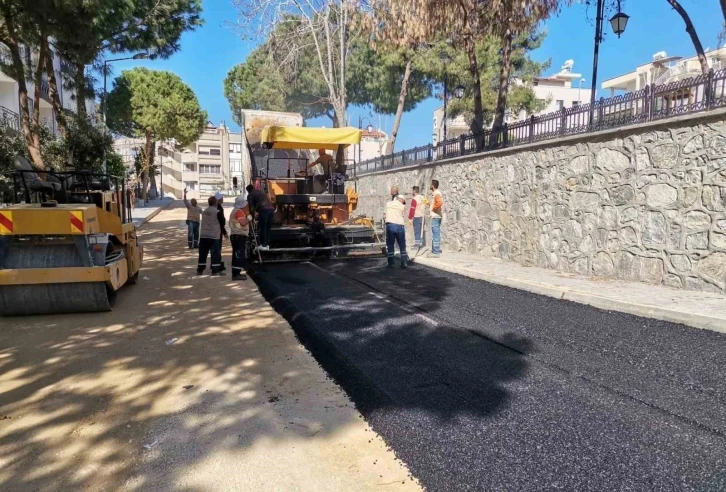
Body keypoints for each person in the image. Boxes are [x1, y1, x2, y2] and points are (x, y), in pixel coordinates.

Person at [197, 196, 224, 276]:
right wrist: (224, 232)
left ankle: (200, 270)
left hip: (203, 236)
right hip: (213, 236)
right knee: (215, 253)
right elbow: (222, 222)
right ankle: (215, 270)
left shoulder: (205, 211)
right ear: (215, 202)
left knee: (202, 253)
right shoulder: (217, 212)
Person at [229, 196, 252, 281]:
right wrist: (249, 219)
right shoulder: (239, 212)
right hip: (239, 236)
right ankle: (236, 274)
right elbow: (243, 223)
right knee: (238, 255)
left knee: (236, 255)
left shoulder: (234, 211)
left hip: (235, 235)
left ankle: (235, 273)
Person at [246, 184, 275, 250]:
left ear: (248, 190)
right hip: (271, 209)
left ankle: (262, 244)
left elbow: (251, 207)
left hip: (264, 210)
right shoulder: (261, 192)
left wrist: (252, 218)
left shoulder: (250, 194)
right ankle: (267, 244)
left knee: (262, 227)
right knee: (268, 227)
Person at [384, 192, 408, 268]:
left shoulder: (388, 204)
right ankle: (404, 262)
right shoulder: (402, 206)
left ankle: (390, 263)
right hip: (399, 226)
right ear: (401, 200)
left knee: (390, 244)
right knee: (402, 244)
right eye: (403, 201)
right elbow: (404, 216)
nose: (403, 203)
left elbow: (384, 215)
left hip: (390, 225)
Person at [429, 179, 443, 257]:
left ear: (433, 186)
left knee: (435, 233)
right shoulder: (435, 194)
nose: (430, 186)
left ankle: (436, 252)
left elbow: (440, 203)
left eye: (431, 184)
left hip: (436, 216)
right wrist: (428, 203)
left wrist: (434, 209)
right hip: (436, 216)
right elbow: (435, 203)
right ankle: (434, 250)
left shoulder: (437, 193)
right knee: (435, 233)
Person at [215, 192, 228, 271]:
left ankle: (215, 264)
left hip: (212, 231)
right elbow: (221, 222)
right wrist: (224, 233)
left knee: (215, 249)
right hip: (217, 231)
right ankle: (217, 265)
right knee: (217, 249)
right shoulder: (219, 209)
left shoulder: (213, 207)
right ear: (219, 199)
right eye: (222, 198)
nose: (223, 199)